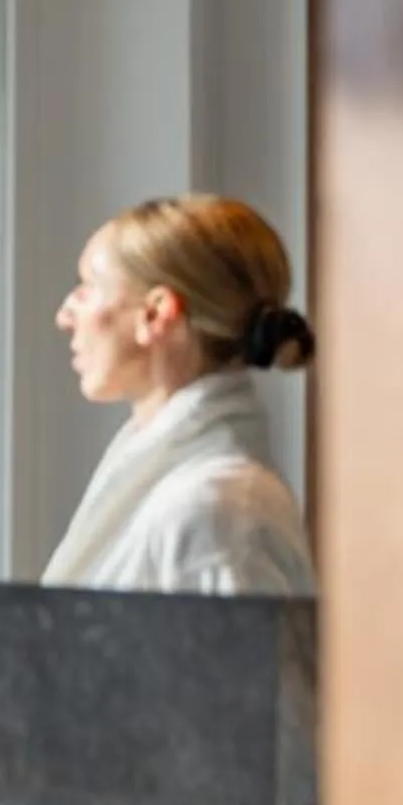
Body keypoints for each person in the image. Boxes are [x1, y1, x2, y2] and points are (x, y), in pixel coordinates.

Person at [42, 195, 316, 597]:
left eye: (88, 287)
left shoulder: (215, 515)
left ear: (155, 314)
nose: (65, 315)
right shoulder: (186, 494)